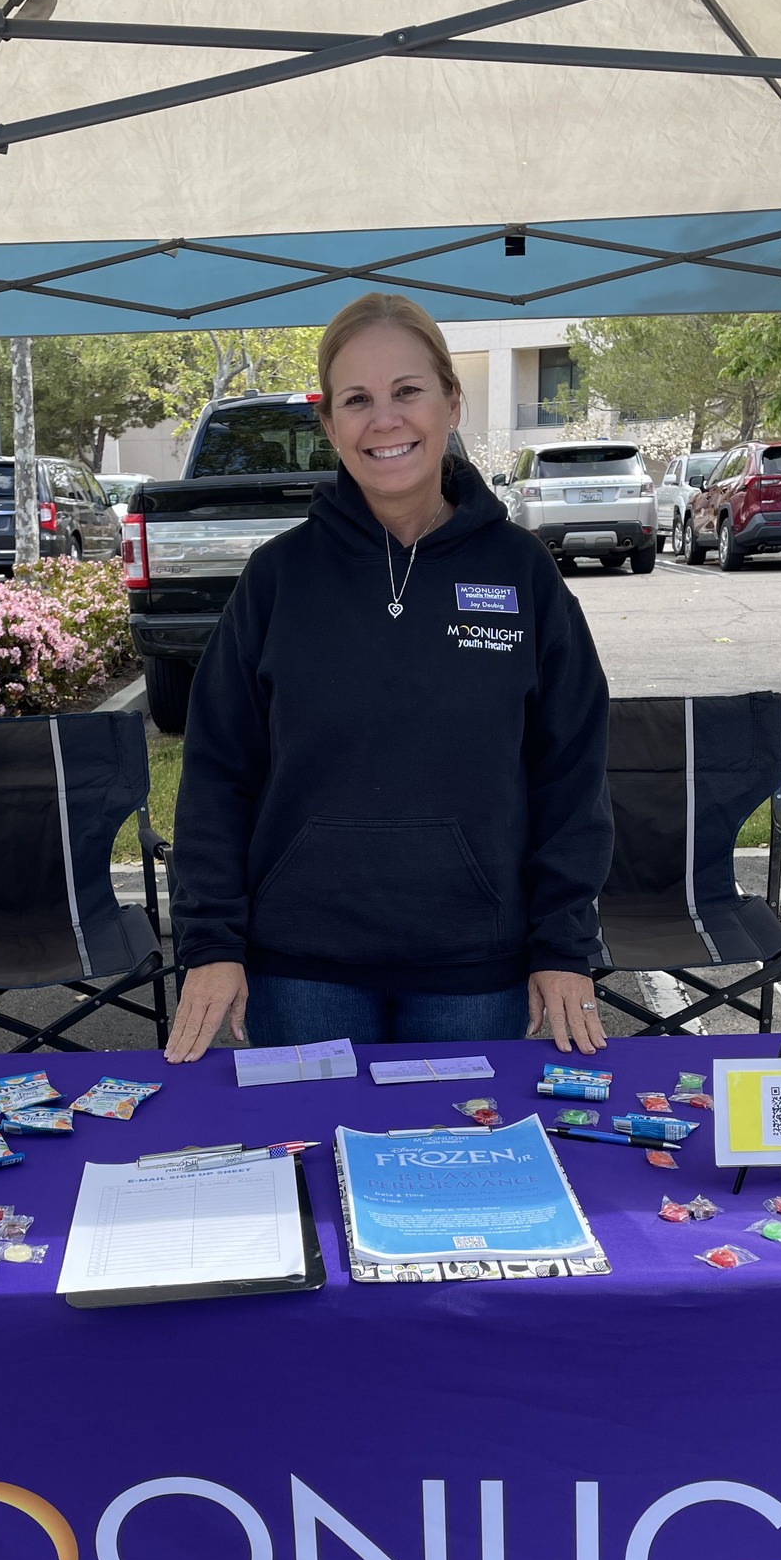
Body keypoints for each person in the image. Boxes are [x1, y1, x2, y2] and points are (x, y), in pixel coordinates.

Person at [163, 291, 613, 1062]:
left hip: (476, 970)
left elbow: (570, 772)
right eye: (357, 400)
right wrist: (212, 941)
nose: (385, 420)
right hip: (298, 970)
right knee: (310, 1175)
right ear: (330, 423)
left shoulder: (521, 573)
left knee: (460, 1178)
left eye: (408, 391)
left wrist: (562, 945)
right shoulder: (277, 580)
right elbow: (217, 774)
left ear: (450, 400)